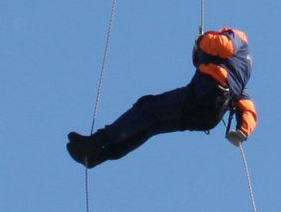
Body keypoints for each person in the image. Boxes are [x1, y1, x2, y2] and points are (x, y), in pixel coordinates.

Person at [66, 27, 258, 166]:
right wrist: (242, 131)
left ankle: (95, 143)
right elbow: (247, 106)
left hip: (204, 96)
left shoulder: (236, 38)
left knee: (146, 108)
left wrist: (202, 39)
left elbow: (224, 45)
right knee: (152, 124)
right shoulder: (240, 73)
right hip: (209, 115)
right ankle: (98, 156)